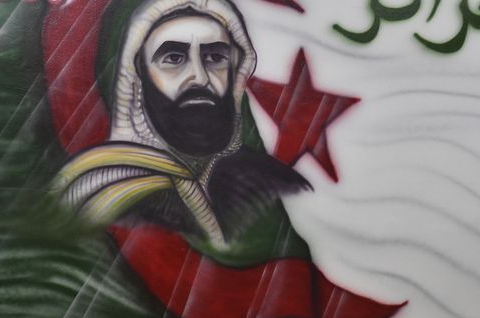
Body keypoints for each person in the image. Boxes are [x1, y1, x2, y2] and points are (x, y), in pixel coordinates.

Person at [55, 0, 311, 252]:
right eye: (174, 58)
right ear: (137, 77)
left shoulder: (270, 184)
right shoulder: (100, 198)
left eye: (215, 57)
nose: (199, 77)